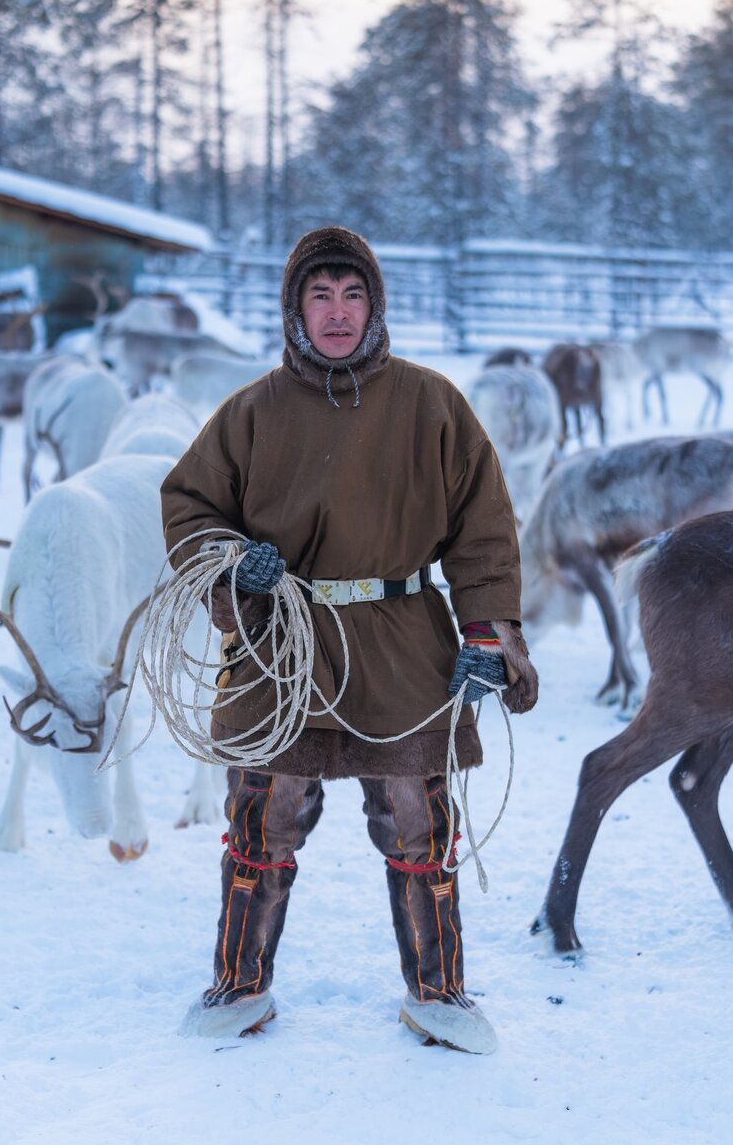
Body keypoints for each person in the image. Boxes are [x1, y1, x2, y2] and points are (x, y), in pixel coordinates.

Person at [160, 226, 538, 1053]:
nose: (337, 313)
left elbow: (482, 528)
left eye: (352, 294)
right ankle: (239, 986)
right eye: (319, 296)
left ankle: (439, 994)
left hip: (400, 637)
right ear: (295, 309)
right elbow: (190, 505)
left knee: (418, 819)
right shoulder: (252, 411)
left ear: (375, 305)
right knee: (265, 813)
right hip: (281, 645)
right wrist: (233, 565)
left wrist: (486, 631)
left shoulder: (431, 403)